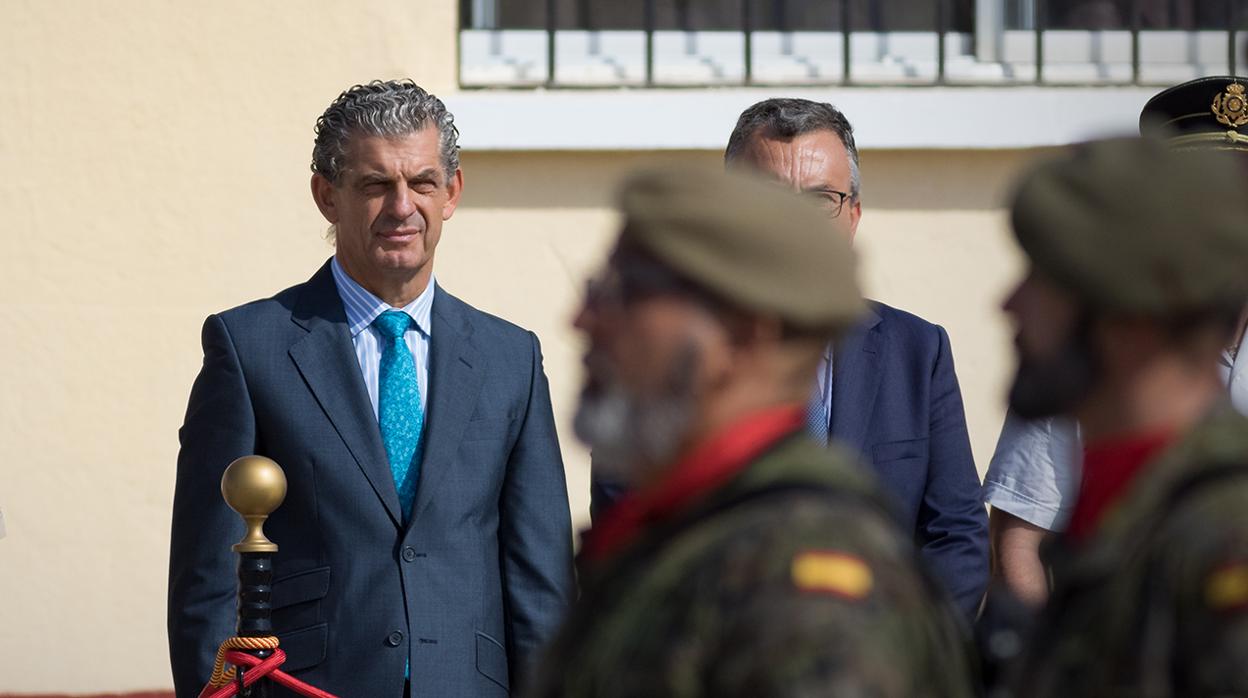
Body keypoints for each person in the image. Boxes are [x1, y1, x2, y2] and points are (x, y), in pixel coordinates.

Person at [168, 80, 574, 697]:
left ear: (453, 193)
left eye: (423, 182)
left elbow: (541, 582)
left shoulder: (510, 358)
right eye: (375, 184)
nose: (402, 206)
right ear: (326, 196)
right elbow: (207, 579)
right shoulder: (249, 349)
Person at [526, 166, 977, 698]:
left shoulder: (806, 587)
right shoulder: (688, 529)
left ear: (742, 335)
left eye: (627, 292)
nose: (583, 319)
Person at [591, 97, 989, 619]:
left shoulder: (918, 352)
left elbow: (956, 538)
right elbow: (630, 542)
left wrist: (876, 662)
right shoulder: (669, 363)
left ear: (854, 216)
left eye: (821, 199)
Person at [992, 137, 1248, 697]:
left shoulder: (1226, 535)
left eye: (1044, 282)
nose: (1008, 303)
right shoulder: (1127, 499)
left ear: (1128, 314)